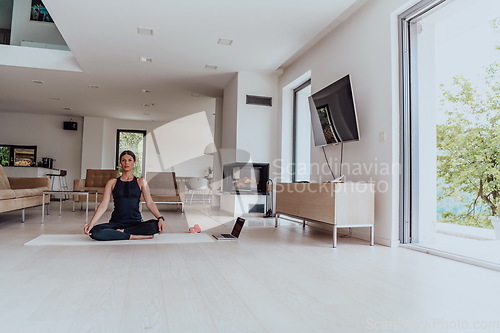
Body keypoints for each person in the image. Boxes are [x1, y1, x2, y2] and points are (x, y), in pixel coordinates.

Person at [83, 150, 166, 241]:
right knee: (95, 231)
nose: (126, 163)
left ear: (134, 163)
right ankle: (132, 236)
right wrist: (91, 223)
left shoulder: (141, 182)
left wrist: (160, 218)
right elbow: (103, 206)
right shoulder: (112, 182)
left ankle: (123, 232)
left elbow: (150, 203)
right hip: (116, 223)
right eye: (123, 160)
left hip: (136, 223)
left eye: (130, 160)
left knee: (155, 225)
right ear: (120, 163)